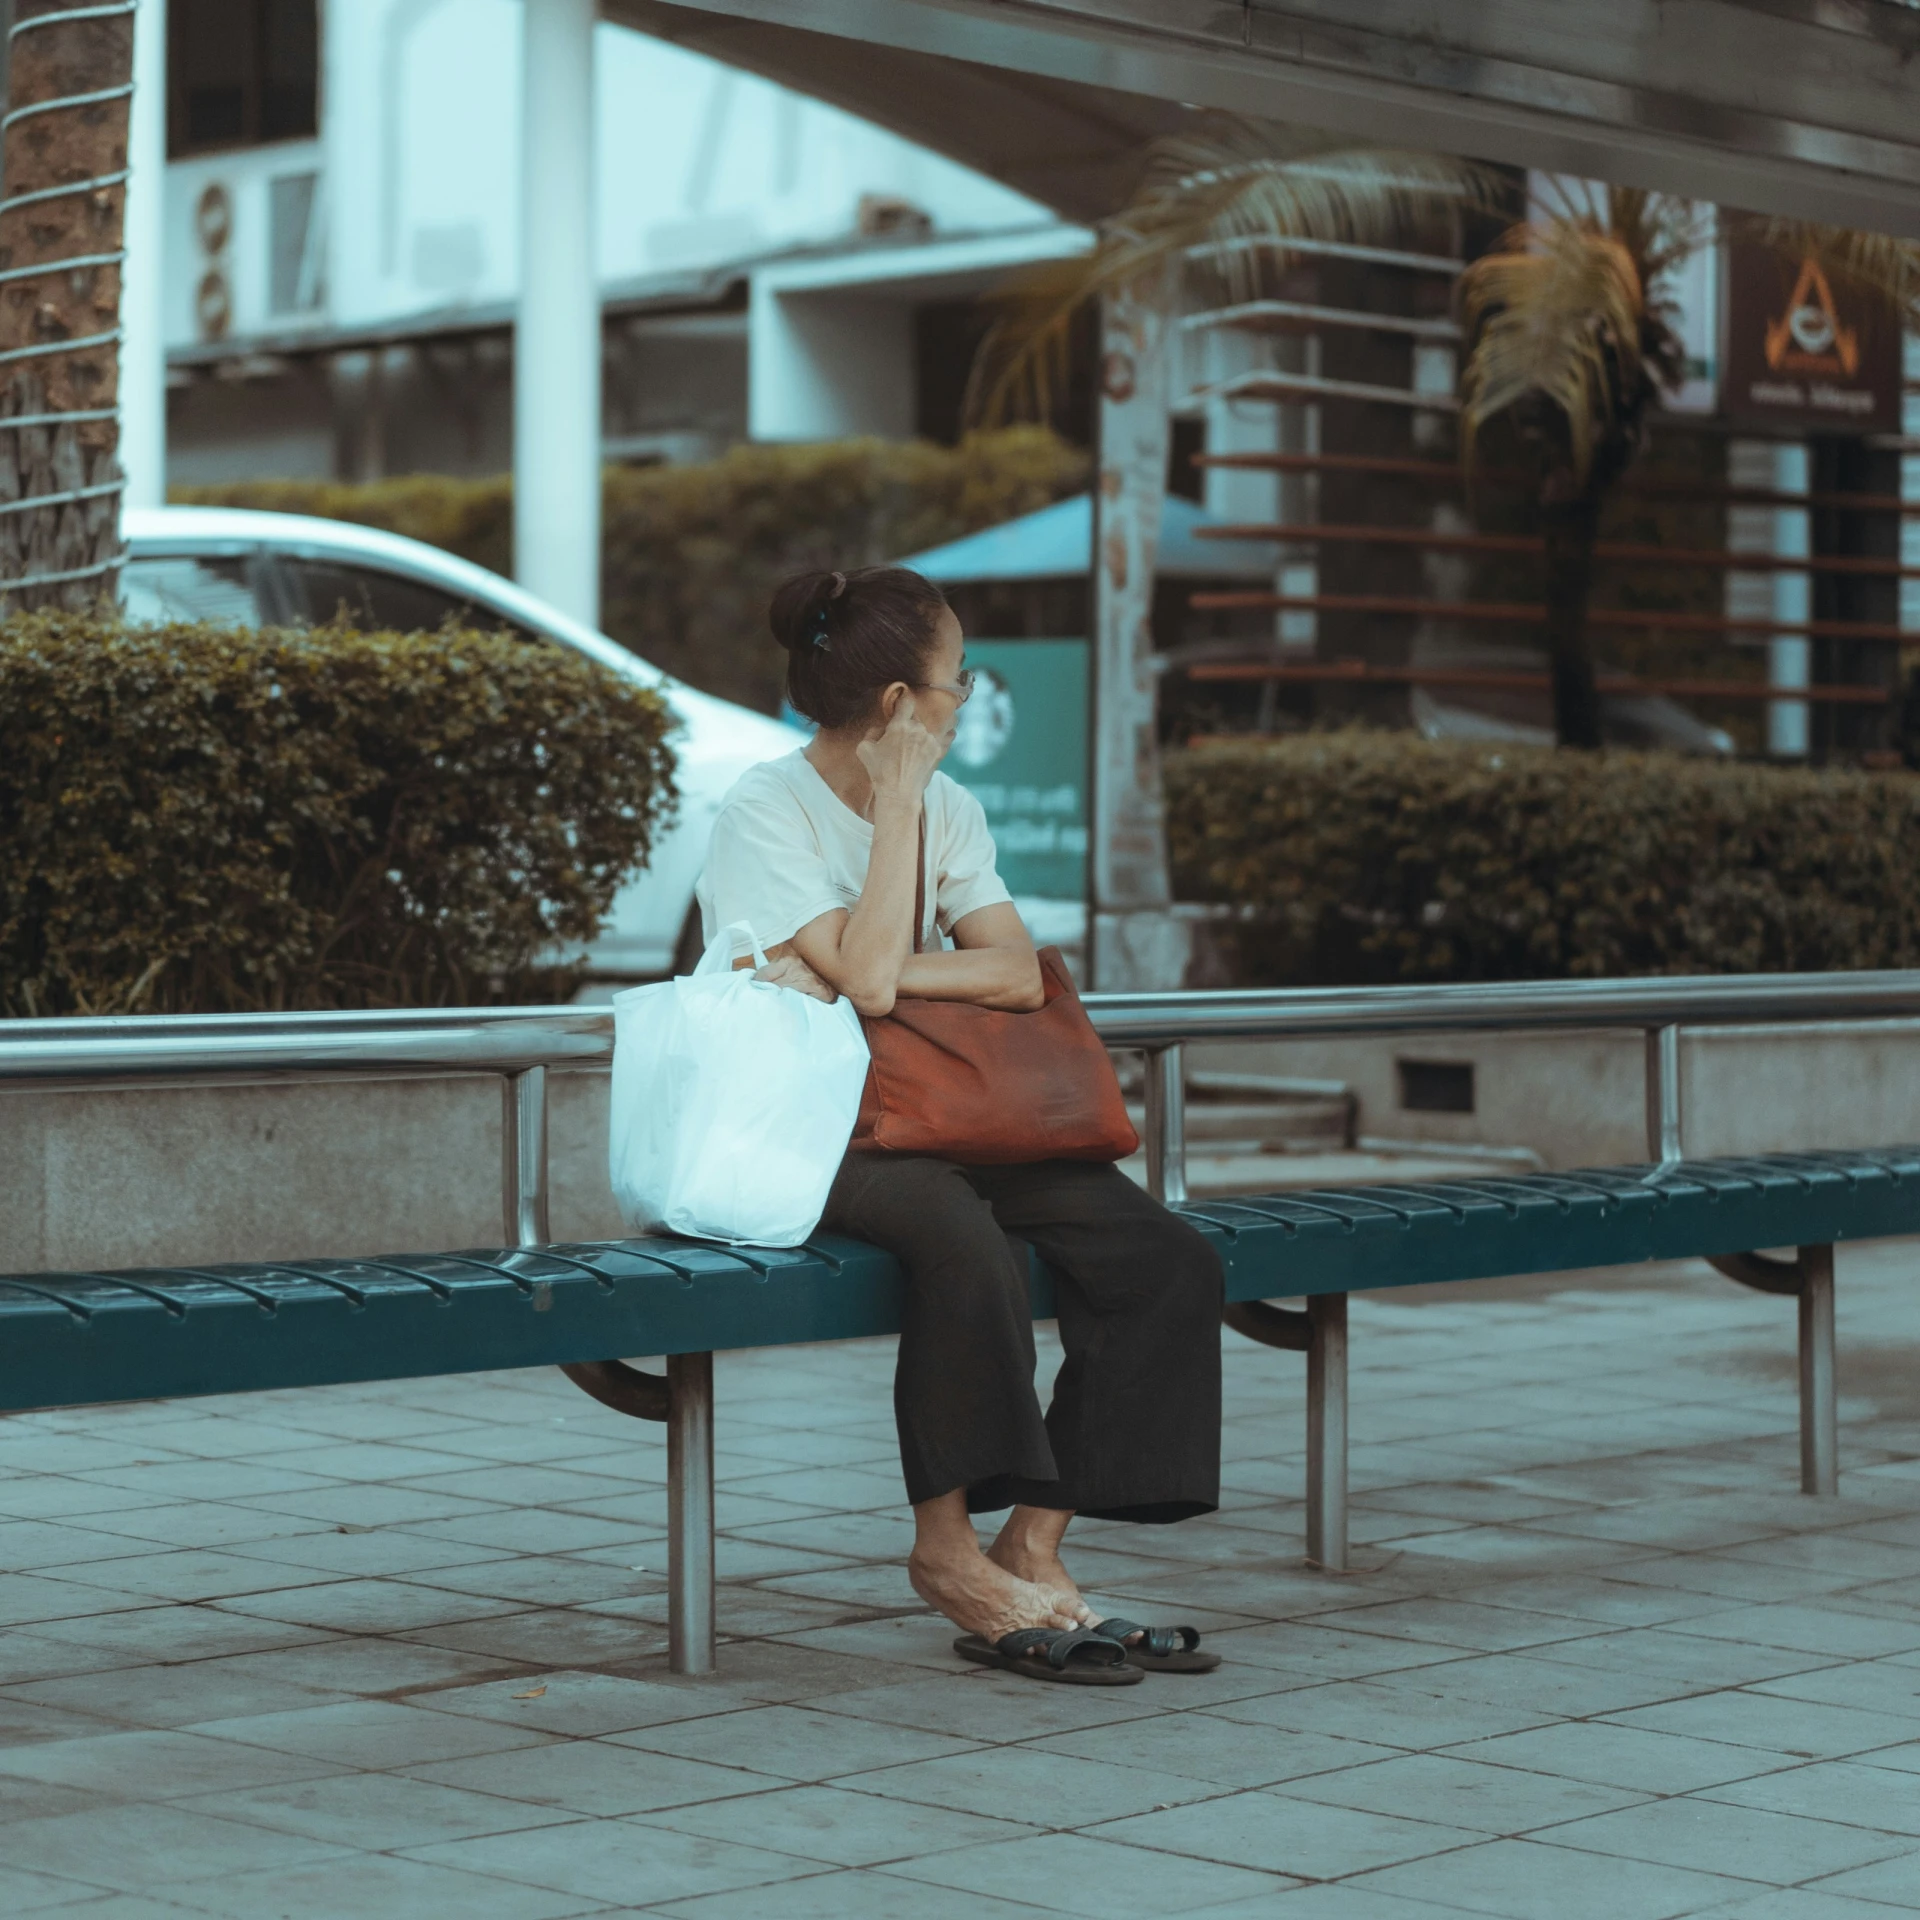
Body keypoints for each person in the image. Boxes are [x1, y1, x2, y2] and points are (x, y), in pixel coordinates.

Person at [695, 565, 1224, 1685]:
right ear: (898, 705)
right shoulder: (764, 808)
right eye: (955, 680)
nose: (964, 700)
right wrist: (890, 835)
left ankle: (1031, 1538)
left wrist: (855, 968)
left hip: (939, 1110)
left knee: (1162, 1258)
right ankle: (945, 1553)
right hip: (806, 1128)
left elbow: (1017, 974)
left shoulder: (956, 807)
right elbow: (885, 980)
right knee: (962, 1244)